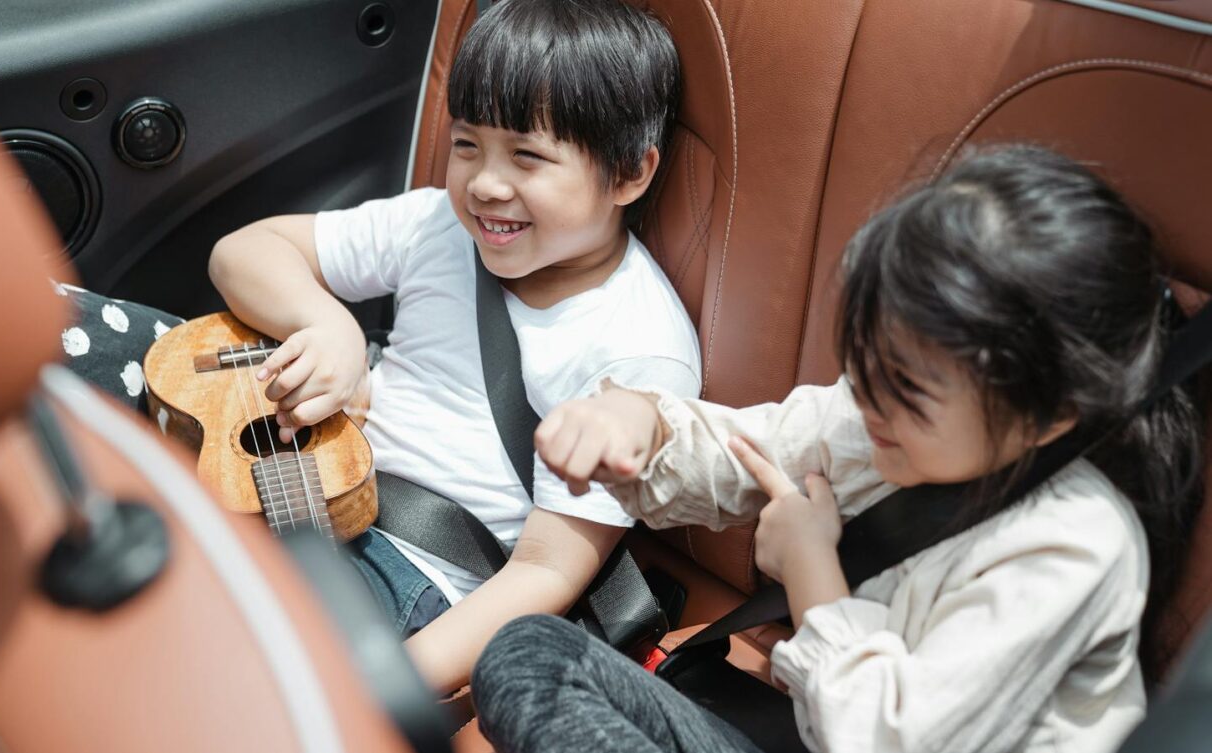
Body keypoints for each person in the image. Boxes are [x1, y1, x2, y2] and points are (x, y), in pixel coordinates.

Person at [471, 145, 1205, 753]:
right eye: (865, 358)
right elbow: (744, 450)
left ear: (1050, 413)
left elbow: (889, 740)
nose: (867, 395)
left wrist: (808, 566)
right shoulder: (874, 416)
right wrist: (637, 424)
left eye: (908, 385)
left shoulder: (1074, 544)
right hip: (807, 723)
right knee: (529, 656)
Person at [207, 0, 699, 695]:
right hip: (313, 486)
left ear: (628, 174)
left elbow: (545, 571)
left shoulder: (638, 351)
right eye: (467, 145)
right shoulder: (438, 224)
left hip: (414, 572)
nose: (485, 184)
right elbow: (243, 251)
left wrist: (382, 688)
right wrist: (329, 325)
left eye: (527, 156)